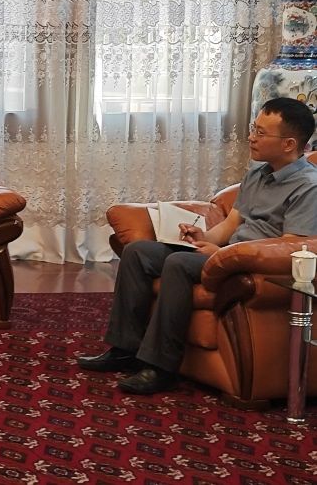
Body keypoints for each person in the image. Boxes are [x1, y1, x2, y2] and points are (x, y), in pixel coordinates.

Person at [78, 97, 317, 394]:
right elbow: (231, 225)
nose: (251, 137)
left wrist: (223, 254)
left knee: (178, 263)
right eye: (253, 128)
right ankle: (125, 349)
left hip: (250, 265)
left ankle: (161, 367)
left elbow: (292, 247)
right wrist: (203, 237)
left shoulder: (309, 187)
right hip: (227, 254)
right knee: (138, 252)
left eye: (260, 132)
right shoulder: (257, 174)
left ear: (289, 144)